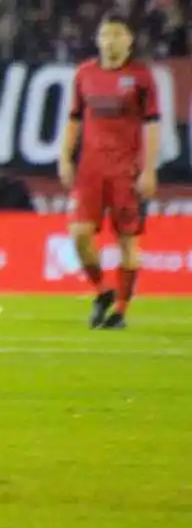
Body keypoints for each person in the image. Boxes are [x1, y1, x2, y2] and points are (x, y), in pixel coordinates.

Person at [58, 18, 160, 330]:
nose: (110, 40)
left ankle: (120, 311)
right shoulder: (84, 74)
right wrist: (65, 158)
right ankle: (102, 292)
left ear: (129, 40)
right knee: (79, 235)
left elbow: (152, 124)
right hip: (90, 169)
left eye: (117, 34)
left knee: (127, 241)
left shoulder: (141, 77)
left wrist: (149, 169)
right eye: (104, 34)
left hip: (125, 171)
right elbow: (74, 119)